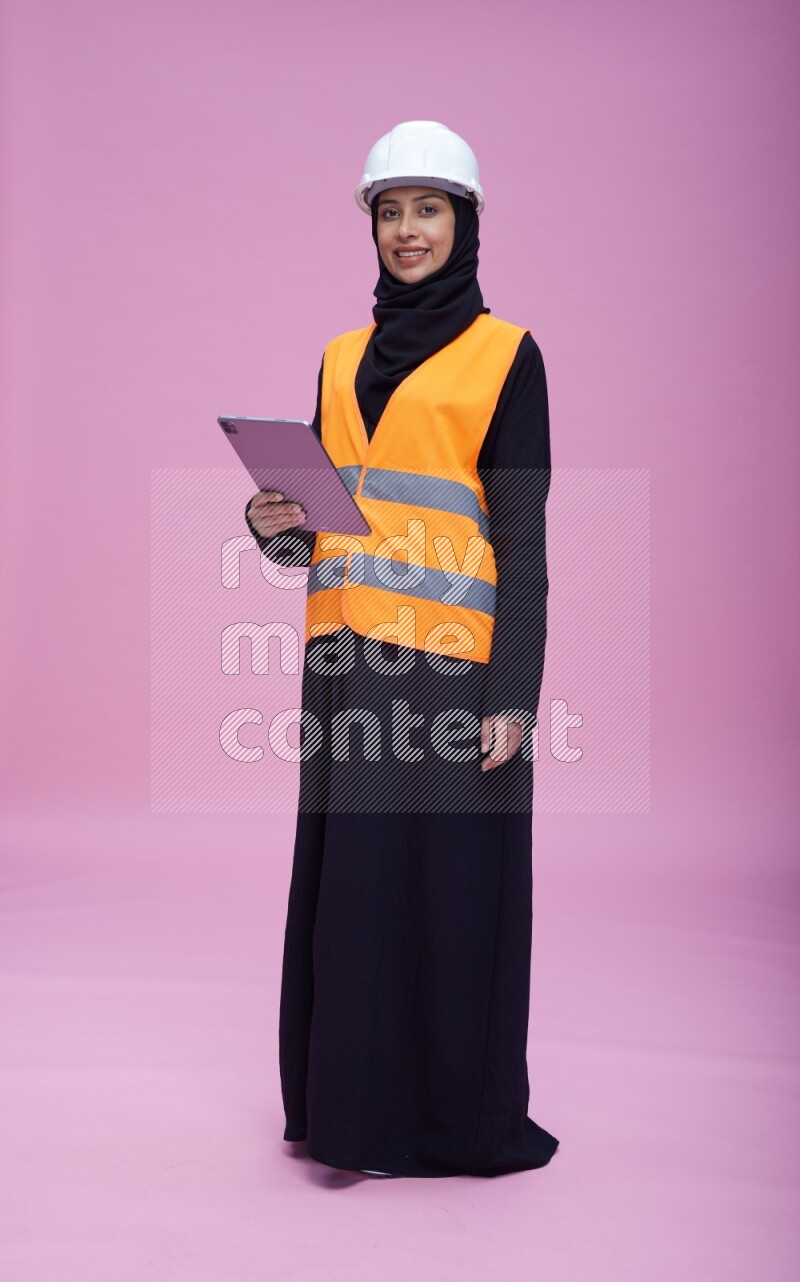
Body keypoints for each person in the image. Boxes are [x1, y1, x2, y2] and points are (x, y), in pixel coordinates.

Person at [245, 121, 559, 1178]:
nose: (407, 231)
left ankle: (448, 1120)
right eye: (390, 211)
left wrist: (512, 697)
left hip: (450, 673)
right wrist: (274, 524)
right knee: (356, 899)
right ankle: (349, 1120)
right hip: (344, 670)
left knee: (449, 898)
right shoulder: (339, 357)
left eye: (428, 209)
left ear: (464, 223)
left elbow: (521, 538)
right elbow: (323, 525)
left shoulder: (506, 355)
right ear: (370, 227)